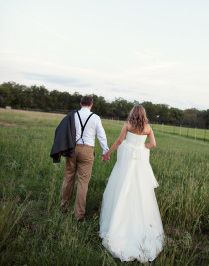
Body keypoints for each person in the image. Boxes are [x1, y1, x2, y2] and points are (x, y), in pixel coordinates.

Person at [99, 105, 164, 263]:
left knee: (121, 188)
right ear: (144, 115)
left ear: (133, 114)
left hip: (127, 161)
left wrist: (107, 153)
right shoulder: (148, 128)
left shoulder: (128, 125)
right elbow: (153, 145)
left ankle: (117, 223)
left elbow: (120, 140)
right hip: (140, 162)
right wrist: (142, 147)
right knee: (140, 190)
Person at [60, 95, 109, 221]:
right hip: (87, 150)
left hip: (72, 148)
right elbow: (101, 136)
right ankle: (79, 215)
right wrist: (105, 151)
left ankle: (64, 207)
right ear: (91, 105)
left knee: (69, 177)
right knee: (83, 182)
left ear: (80, 104)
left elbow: (64, 131)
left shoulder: (73, 115)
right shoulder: (96, 118)